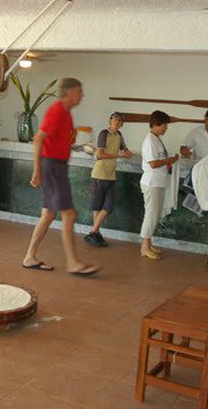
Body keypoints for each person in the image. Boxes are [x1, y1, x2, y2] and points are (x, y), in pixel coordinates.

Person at [22, 77, 101, 276]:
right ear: (69, 93)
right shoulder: (57, 111)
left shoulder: (66, 114)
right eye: (79, 91)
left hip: (57, 166)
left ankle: (29, 257)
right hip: (53, 168)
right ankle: (73, 263)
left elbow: (57, 141)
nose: (82, 95)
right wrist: (37, 169)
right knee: (69, 214)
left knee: (48, 214)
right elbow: (38, 138)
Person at [84, 112, 133, 247]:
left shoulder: (119, 135)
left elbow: (125, 149)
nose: (117, 122)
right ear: (110, 120)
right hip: (99, 174)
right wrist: (121, 156)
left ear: (122, 124)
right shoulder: (103, 134)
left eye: (119, 121)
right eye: (115, 120)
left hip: (110, 175)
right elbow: (100, 155)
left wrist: (127, 153)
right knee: (97, 206)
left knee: (108, 206)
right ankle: (95, 233)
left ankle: (93, 232)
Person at [139, 110, 179, 260]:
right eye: (165, 125)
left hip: (158, 182)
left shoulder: (156, 139)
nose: (166, 128)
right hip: (152, 183)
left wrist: (171, 160)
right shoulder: (149, 141)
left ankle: (148, 243)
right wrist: (168, 160)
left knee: (154, 215)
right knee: (150, 215)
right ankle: (144, 247)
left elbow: (159, 160)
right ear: (157, 124)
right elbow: (153, 163)